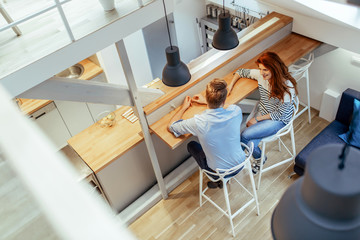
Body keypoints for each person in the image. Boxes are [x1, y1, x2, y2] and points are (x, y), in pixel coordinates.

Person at [227, 51, 298, 174]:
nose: (261, 73)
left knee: (244, 135)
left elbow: (279, 114)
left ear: (274, 68)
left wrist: (257, 119)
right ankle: (260, 159)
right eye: (260, 69)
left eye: (265, 70)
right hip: (264, 112)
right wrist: (230, 86)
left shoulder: (287, 87)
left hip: (278, 119)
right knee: (250, 143)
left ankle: (233, 167)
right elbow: (240, 72)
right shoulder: (261, 76)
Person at [168, 78, 246, 188]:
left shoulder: (199, 122)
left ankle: (217, 179)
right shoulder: (236, 111)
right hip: (241, 163)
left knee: (192, 145)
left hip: (220, 172)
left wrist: (183, 108)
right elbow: (227, 106)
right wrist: (209, 102)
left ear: (207, 97)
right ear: (223, 101)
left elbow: (172, 127)